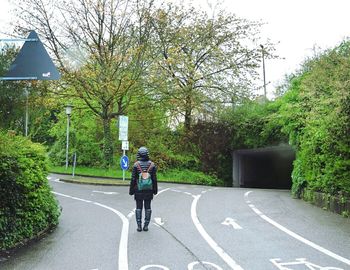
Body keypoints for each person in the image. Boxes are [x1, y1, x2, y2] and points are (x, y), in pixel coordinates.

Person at [129, 146, 158, 232]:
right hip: (149, 190)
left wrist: (131, 190)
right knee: (148, 207)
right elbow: (154, 179)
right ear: (147, 154)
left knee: (138, 207)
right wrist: (155, 190)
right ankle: (146, 226)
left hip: (138, 190)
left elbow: (133, 179)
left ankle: (139, 226)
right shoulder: (152, 165)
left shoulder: (136, 165)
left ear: (139, 154)